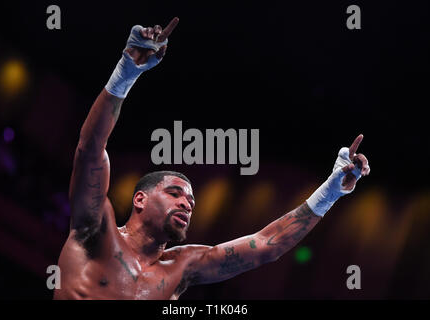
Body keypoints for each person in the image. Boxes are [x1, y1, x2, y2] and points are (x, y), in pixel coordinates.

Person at [54, 17, 370, 300]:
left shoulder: (182, 267)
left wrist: (330, 191)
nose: (186, 204)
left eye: (191, 201)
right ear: (139, 199)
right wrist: (126, 73)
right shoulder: (95, 228)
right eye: (174, 193)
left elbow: (266, 245)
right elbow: (90, 148)